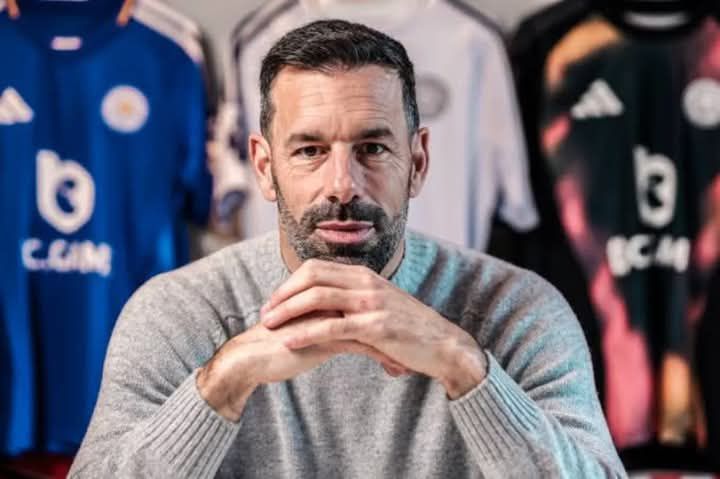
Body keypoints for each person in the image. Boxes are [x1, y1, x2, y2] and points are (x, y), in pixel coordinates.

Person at [69, 19, 626, 478]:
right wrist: (223, 383)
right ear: (263, 167)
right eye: (310, 150)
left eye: (373, 148)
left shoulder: (519, 310)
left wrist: (464, 365)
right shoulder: (177, 313)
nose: (342, 185)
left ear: (418, 162)